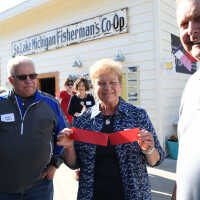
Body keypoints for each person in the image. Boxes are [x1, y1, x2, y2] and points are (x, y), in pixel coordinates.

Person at [57, 58, 165, 200]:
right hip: (92, 195)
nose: (107, 87)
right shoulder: (83, 120)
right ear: (94, 88)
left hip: (133, 195)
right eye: (101, 83)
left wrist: (149, 149)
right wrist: (69, 147)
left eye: (113, 82)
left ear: (120, 85)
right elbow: (73, 164)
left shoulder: (137, 115)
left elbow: (156, 160)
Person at [0, 56, 68, 200]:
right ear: (11, 80)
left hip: (39, 187)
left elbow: (66, 135)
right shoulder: (1, 103)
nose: (29, 80)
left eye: (33, 76)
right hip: (4, 188)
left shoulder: (51, 104)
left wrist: (55, 164)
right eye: (23, 77)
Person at [173, 0, 200, 199]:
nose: (191, 31)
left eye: (199, 19)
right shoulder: (192, 85)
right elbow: (185, 157)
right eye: (184, 24)